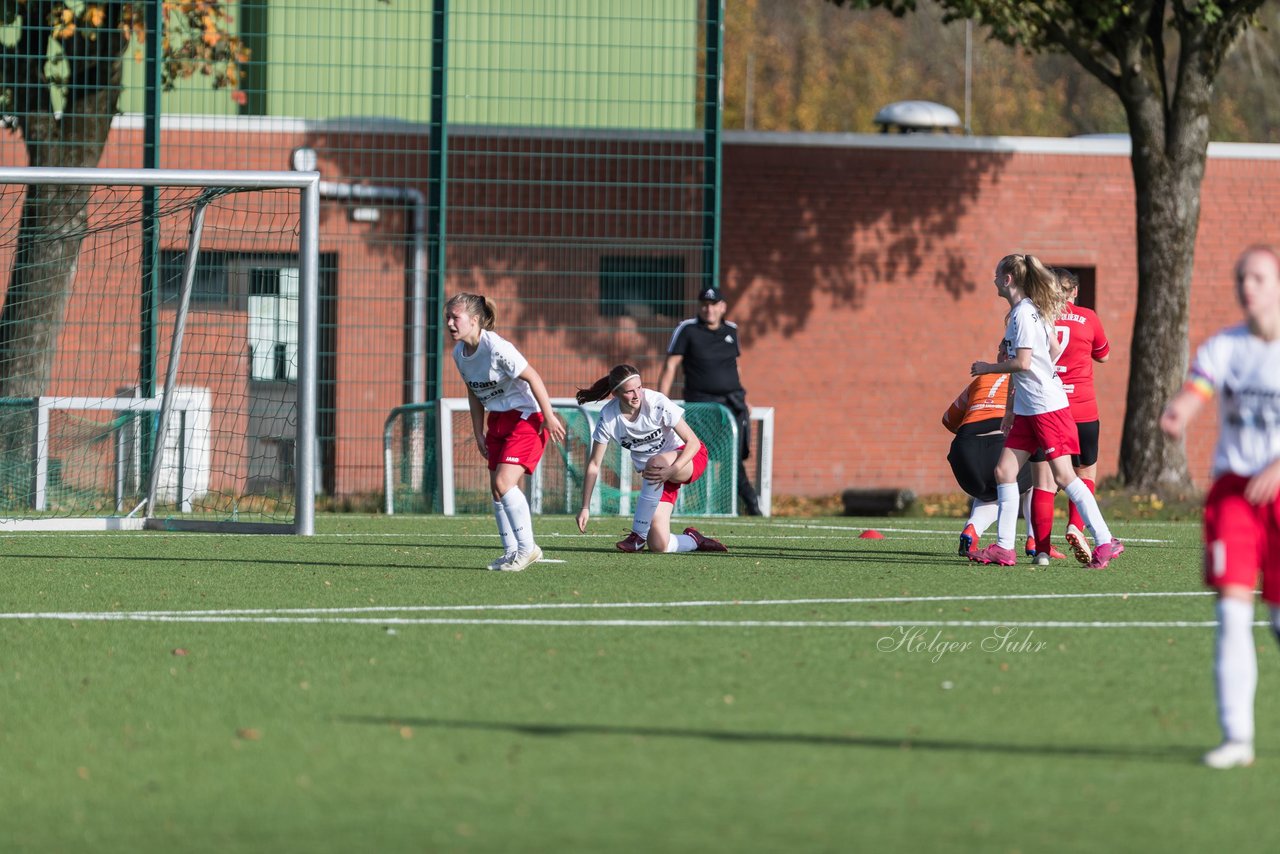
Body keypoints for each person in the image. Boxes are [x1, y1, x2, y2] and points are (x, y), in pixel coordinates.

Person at [1160, 245, 1280, 770]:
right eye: (1241, 277)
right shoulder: (1224, 347)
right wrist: (1180, 411)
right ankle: (1237, 738)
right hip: (1234, 495)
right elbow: (1199, 389)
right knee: (1232, 615)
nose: (1246, 286)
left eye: (1257, 277)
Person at [968, 253, 1123, 569]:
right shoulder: (1029, 312)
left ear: (1008, 279)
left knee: (1065, 476)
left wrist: (988, 368)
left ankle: (1105, 541)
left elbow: (1023, 363)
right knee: (1004, 472)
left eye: (997, 275)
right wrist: (1018, 402)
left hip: (1046, 407)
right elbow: (1051, 347)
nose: (994, 280)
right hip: (1029, 407)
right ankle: (1003, 548)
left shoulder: (1024, 315)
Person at [446, 293, 566, 572]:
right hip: (498, 419)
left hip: (527, 417)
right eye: (448, 317)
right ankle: (511, 551)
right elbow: (473, 391)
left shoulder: (497, 348)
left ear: (475, 320)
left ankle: (528, 549)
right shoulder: (459, 354)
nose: (450, 323)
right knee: (496, 491)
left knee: (503, 483)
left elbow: (533, 377)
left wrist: (548, 416)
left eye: (456, 317)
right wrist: (477, 431)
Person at [576, 364, 727, 554]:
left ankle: (638, 536)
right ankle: (694, 540)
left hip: (688, 458)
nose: (637, 395)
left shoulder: (656, 402)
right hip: (658, 477)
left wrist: (673, 469)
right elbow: (594, 465)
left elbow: (693, 443)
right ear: (615, 393)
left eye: (639, 388)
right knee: (659, 545)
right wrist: (585, 507)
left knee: (654, 463)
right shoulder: (608, 416)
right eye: (629, 391)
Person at [1026, 268, 1112, 564]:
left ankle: (1041, 551)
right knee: (1085, 473)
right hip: (1084, 408)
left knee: (1044, 482)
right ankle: (1076, 523)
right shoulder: (1088, 317)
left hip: (1047, 406)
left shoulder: (1036, 316)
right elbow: (1104, 354)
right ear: (1074, 291)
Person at [657, 286, 763, 517]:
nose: (709, 309)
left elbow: (734, 367)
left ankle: (742, 504)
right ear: (699, 306)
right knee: (702, 453)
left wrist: (744, 398)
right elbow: (670, 367)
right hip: (703, 406)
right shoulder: (687, 329)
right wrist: (661, 404)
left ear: (723, 307)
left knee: (733, 456)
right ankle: (746, 504)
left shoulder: (732, 330)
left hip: (733, 404)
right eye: (704, 304)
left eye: (714, 304)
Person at [942, 359, 1034, 557]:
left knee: (991, 493)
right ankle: (1035, 540)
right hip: (1000, 442)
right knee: (1041, 472)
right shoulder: (1029, 379)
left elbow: (948, 420)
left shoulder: (981, 379)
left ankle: (972, 528)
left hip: (963, 452)